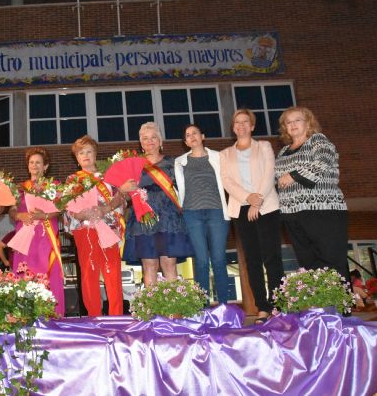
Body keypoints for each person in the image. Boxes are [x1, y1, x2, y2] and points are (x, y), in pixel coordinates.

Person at [220, 109, 284, 324]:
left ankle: (279, 304)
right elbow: (227, 181)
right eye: (237, 122)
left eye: (245, 122)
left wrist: (257, 200)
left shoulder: (264, 146)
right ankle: (262, 308)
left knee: (272, 257)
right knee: (252, 260)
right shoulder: (225, 154)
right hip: (241, 209)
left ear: (252, 126)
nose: (241, 125)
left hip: (267, 207)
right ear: (233, 127)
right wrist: (248, 198)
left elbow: (269, 173)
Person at [275, 106, 349, 281]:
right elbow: (277, 180)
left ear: (308, 123)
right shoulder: (283, 151)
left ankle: (338, 308)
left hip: (323, 210)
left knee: (332, 260)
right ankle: (319, 306)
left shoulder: (318, 141)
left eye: (297, 120)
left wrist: (293, 175)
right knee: (308, 263)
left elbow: (323, 162)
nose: (292, 124)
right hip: (292, 214)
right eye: (288, 122)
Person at [120, 122, 193, 286]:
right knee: (149, 265)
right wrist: (123, 190)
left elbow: (184, 190)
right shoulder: (132, 164)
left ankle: (174, 310)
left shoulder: (173, 163)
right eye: (145, 138)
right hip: (143, 220)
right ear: (141, 143)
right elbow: (124, 196)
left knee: (169, 263)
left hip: (169, 219)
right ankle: (153, 309)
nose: (149, 141)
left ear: (160, 141)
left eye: (153, 137)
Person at [65, 135, 125, 316]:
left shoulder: (109, 176)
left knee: (112, 272)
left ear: (95, 154)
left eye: (89, 151)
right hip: (85, 230)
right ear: (77, 158)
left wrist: (105, 209)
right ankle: (93, 317)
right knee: (89, 274)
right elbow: (66, 208)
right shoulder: (72, 180)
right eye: (81, 153)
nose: (85, 155)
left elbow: (121, 198)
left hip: (107, 228)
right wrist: (80, 214)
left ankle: (116, 316)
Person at [174, 124, 230, 305]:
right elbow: (176, 189)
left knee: (219, 260)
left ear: (202, 135)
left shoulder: (218, 157)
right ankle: (202, 307)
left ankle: (224, 306)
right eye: (188, 135)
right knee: (201, 261)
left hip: (217, 212)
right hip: (192, 214)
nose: (192, 137)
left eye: (195, 133)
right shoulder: (180, 162)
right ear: (185, 142)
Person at [9, 147, 65, 316]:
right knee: (24, 274)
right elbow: (11, 212)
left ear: (45, 166)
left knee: (48, 272)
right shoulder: (19, 188)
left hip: (45, 237)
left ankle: (52, 316)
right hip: (25, 238)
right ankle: (24, 316)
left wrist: (44, 215)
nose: (34, 166)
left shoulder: (54, 186)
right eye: (31, 162)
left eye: (38, 163)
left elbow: (61, 209)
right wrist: (20, 215)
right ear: (28, 166)